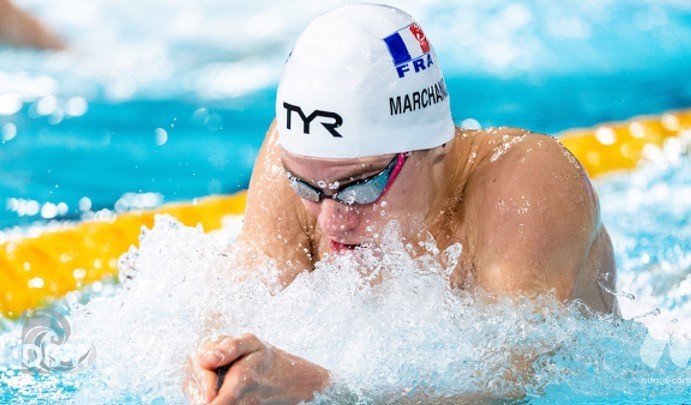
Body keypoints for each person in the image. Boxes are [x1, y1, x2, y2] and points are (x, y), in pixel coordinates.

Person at [184, 3, 619, 404]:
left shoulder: (528, 187)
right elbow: (234, 306)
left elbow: (503, 387)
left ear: (436, 149)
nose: (332, 220)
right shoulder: (304, 160)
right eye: (306, 187)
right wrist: (215, 368)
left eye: (360, 186)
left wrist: (319, 389)